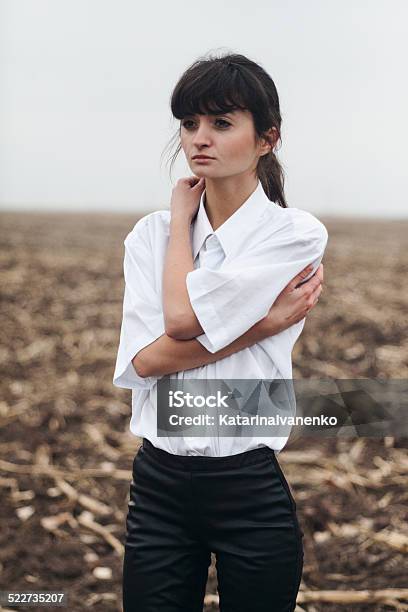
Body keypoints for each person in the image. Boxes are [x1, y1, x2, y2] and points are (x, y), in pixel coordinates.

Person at [113, 52, 328, 612]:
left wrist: (180, 230)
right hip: (157, 485)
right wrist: (265, 324)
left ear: (267, 139)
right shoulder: (149, 235)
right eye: (189, 123)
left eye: (222, 123)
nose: (198, 139)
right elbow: (146, 362)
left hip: (249, 489)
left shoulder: (295, 234)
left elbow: (179, 324)